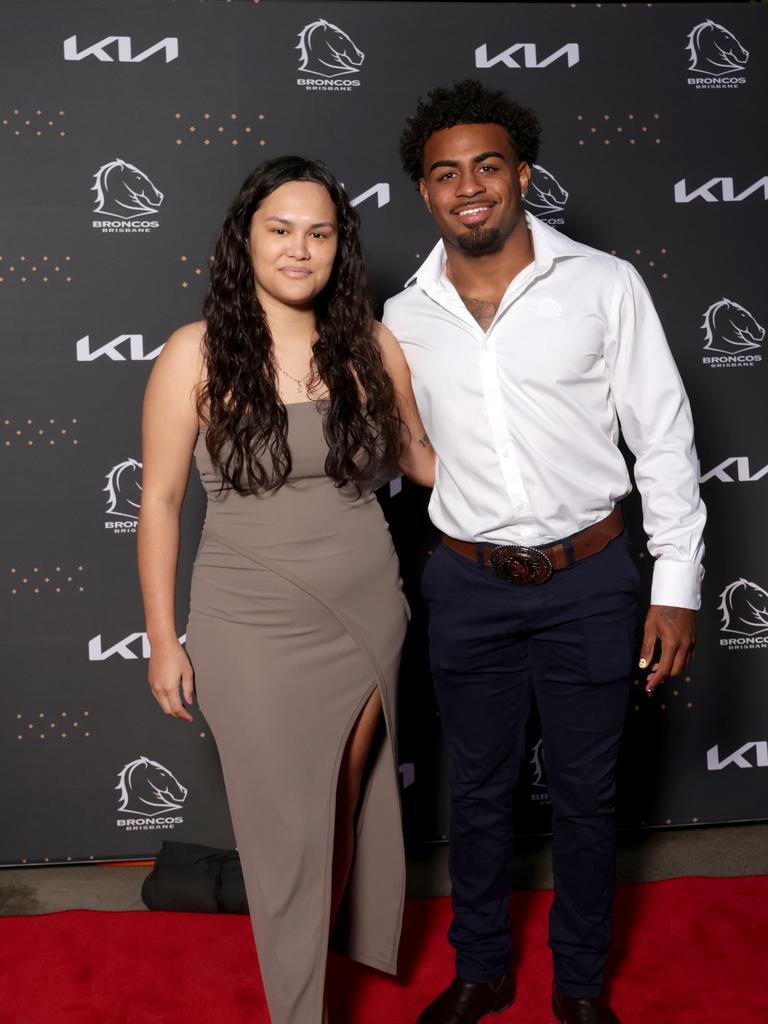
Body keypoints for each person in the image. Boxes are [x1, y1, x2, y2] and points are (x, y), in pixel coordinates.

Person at [383, 80, 706, 1024]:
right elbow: (407, 445)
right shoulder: (404, 318)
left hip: (592, 582)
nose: (469, 186)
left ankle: (578, 986)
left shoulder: (605, 284)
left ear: (522, 174)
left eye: (488, 165)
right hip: (469, 584)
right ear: (426, 193)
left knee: (586, 795)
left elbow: (666, 439)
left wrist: (677, 586)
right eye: (446, 174)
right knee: (476, 793)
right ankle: (480, 969)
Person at [137, 155, 434, 1024]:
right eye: (280, 229)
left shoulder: (371, 344)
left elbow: (421, 462)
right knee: (288, 830)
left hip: (364, 607)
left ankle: (312, 983)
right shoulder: (194, 353)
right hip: (247, 617)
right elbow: (157, 503)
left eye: (320, 232)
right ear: (246, 239)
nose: (299, 248)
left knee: (334, 812)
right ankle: (300, 1009)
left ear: (341, 247)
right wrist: (163, 639)